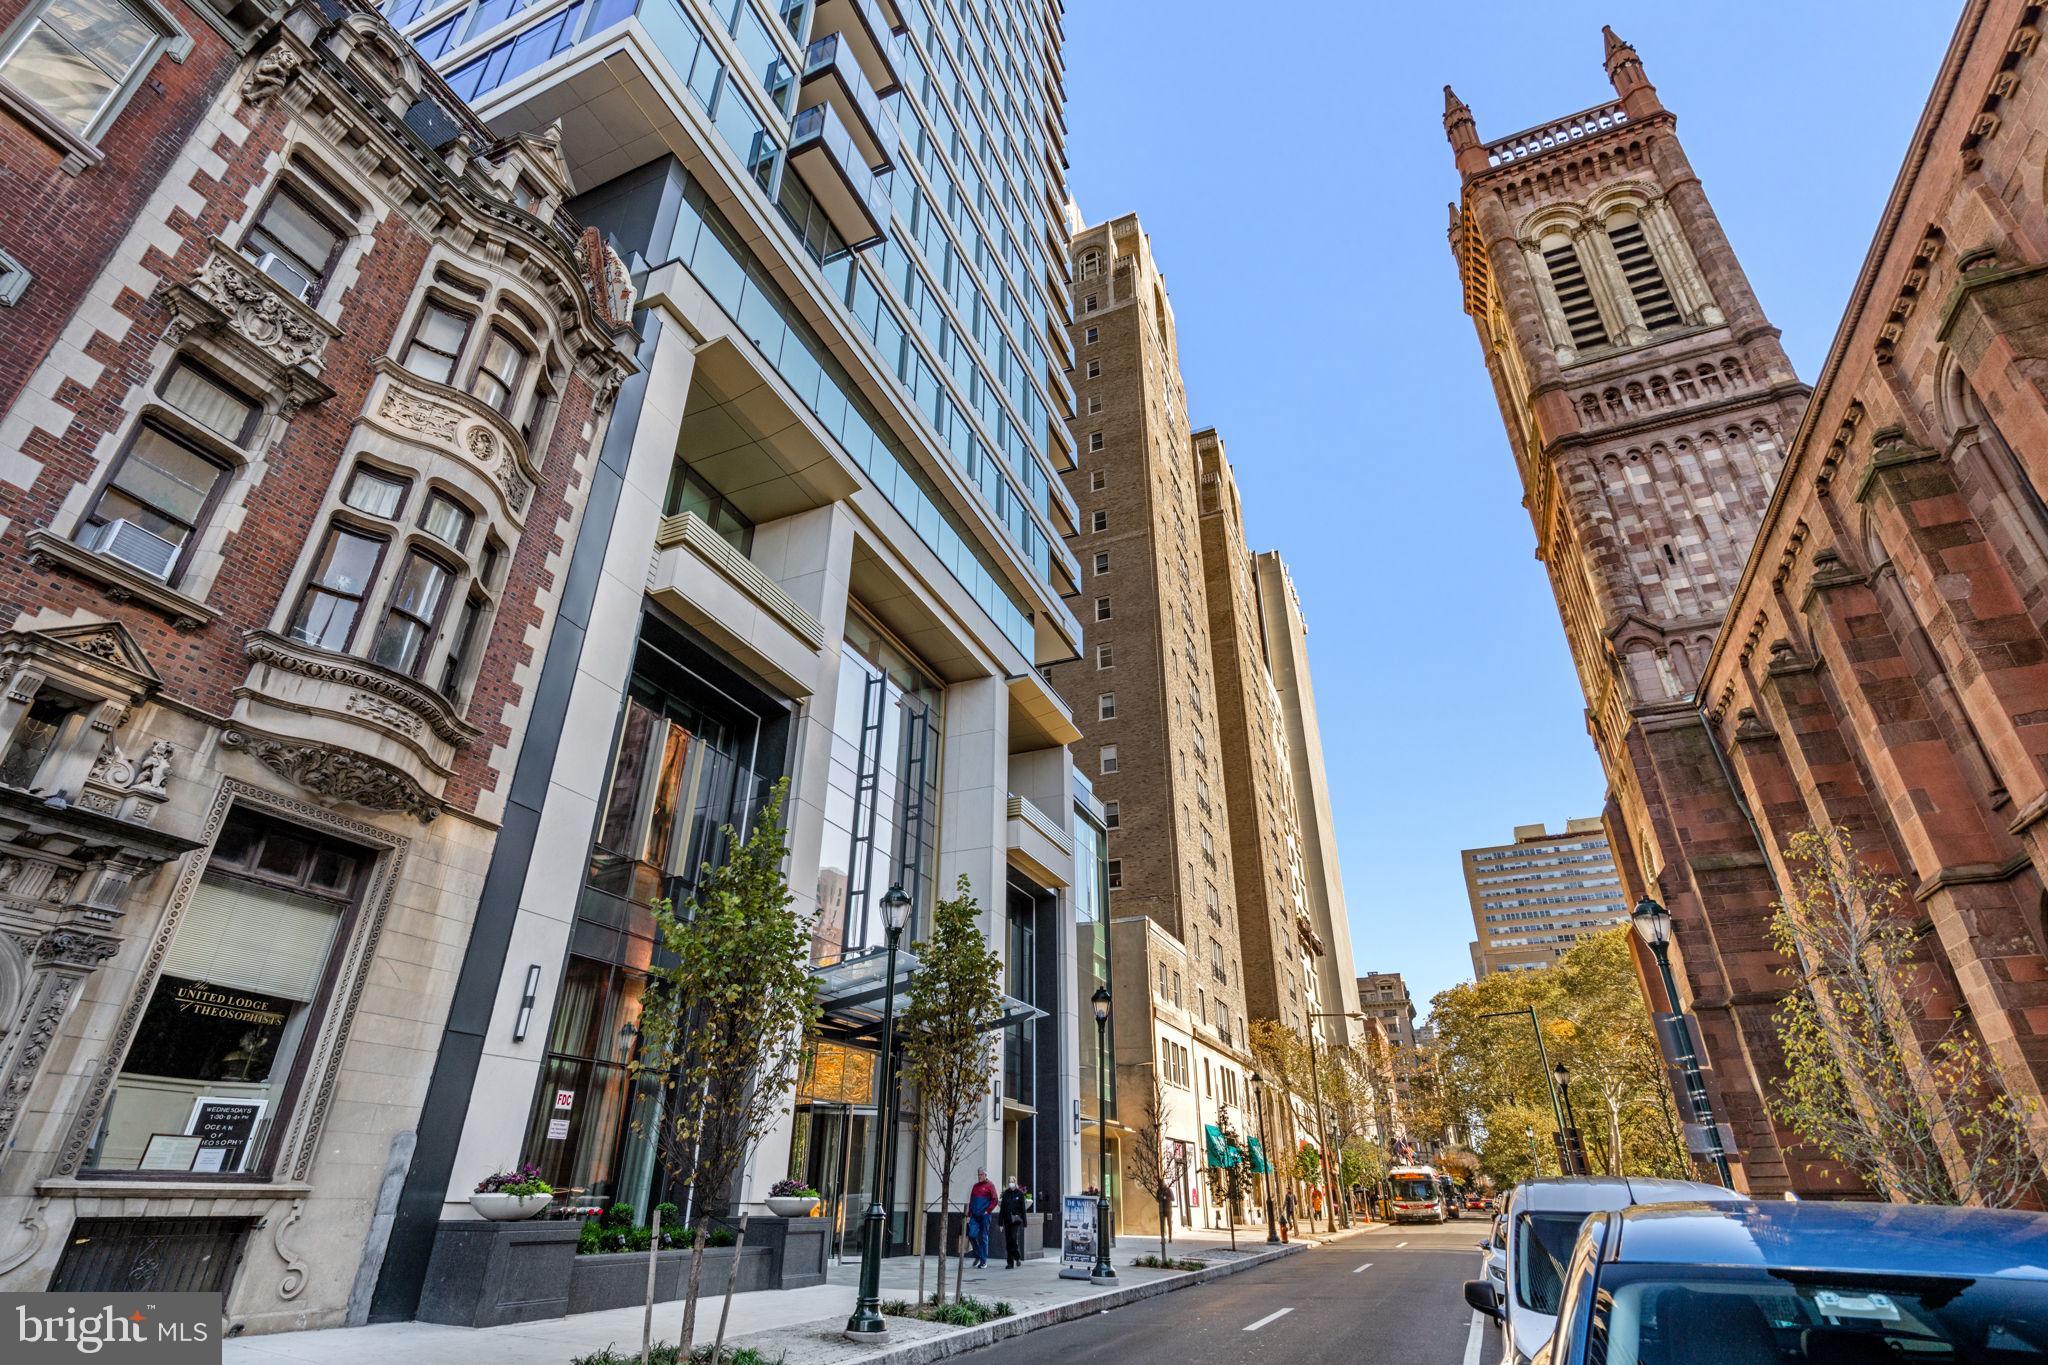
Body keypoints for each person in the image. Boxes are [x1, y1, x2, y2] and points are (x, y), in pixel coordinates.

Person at [966, 1168, 997, 1269]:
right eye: (978, 1175)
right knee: (971, 1235)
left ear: (985, 1175)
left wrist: (988, 1210)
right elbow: (971, 1201)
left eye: (981, 1174)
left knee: (983, 1237)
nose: (979, 1176)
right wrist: (969, 1214)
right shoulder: (975, 1187)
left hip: (985, 1216)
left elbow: (995, 1200)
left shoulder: (990, 1185)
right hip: (974, 1216)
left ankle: (983, 1262)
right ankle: (978, 1254)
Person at [1000, 1177, 1029, 1268]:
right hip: (1007, 1220)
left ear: (1015, 1183)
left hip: (1016, 1221)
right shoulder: (1005, 1194)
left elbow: (1023, 1209)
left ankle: (1017, 1256)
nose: (1010, 1183)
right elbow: (1002, 1209)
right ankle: (1010, 1262)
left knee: (1013, 1238)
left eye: (1012, 1182)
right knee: (1008, 1241)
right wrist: (1000, 1223)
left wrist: (1025, 1222)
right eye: (1009, 1182)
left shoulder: (1020, 1194)